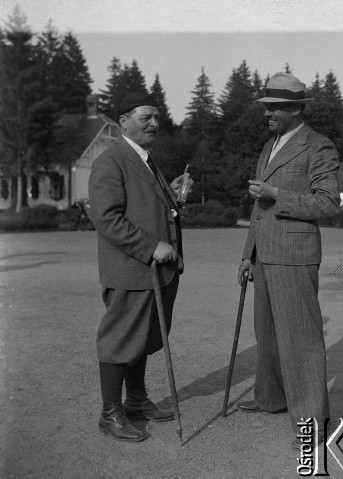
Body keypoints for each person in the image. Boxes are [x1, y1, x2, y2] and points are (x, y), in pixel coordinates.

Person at [236, 72, 340, 449]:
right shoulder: (270, 145)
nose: (267, 114)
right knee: (268, 334)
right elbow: (258, 206)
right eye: (265, 108)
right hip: (265, 257)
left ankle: (311, 423)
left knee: (300, 339)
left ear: (296, 109)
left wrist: (277, 192)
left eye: (275, 108)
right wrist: (248, 255)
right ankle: (270, 399)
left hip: (295, 257)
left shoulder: (319, 147)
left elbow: (328, 203)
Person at [88, 92, 191, 442]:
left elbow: (146, 205)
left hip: (154, 272)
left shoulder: (146, 160)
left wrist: (172, 194)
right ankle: (110, 413)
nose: (154, 123)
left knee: (143, 338)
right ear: (124, 122)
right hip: (131, 271)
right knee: (120, 339)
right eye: (146, 117)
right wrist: (152, 246)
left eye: (157, 117)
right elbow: (107, 218)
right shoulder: (110, 161)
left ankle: (135, 400)